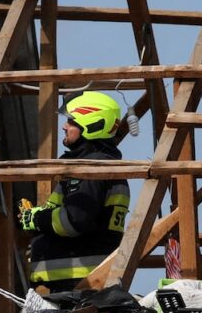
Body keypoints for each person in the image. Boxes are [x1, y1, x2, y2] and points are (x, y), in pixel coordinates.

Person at [19, 91, 132, 292]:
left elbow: (74, 221)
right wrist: (39, 219)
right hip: (76, 285)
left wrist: (37, 219)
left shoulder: (90, 168)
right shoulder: (103, 165)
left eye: (71, 122)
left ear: (91, 125)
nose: (64, 126)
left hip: (76, 285)